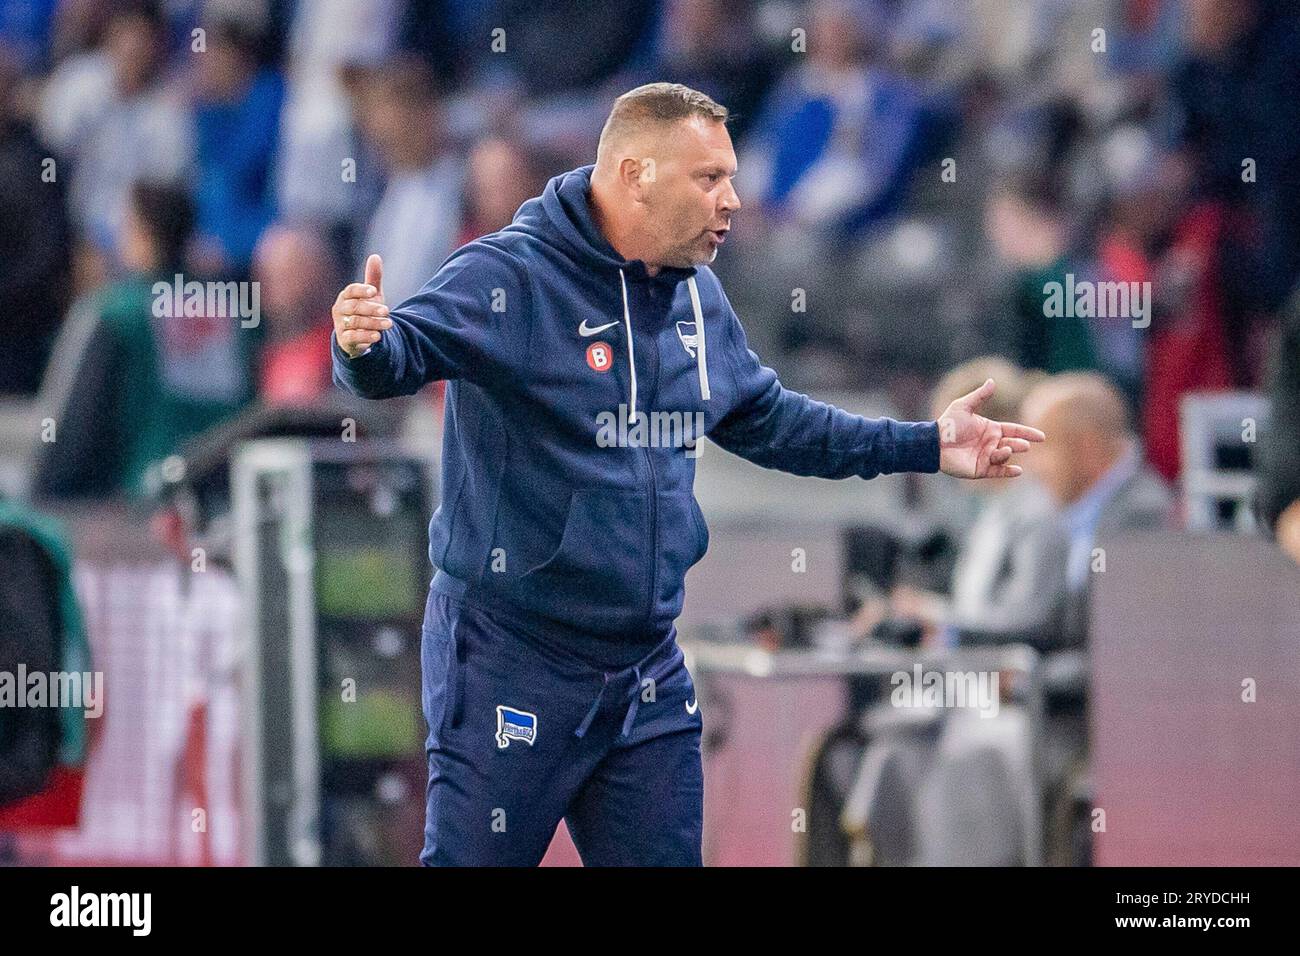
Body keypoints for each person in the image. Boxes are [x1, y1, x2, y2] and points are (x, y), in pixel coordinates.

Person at [331, 83, 1045, 866]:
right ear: (635, 173)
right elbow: (397, 360)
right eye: (708, 179)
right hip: (514, 656)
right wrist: (362, 345)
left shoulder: (697, 297)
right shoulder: (510, 277)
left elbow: (771, 421)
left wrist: (926, 445)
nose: (733, 200)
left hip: (645, 668)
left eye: (731, 176)